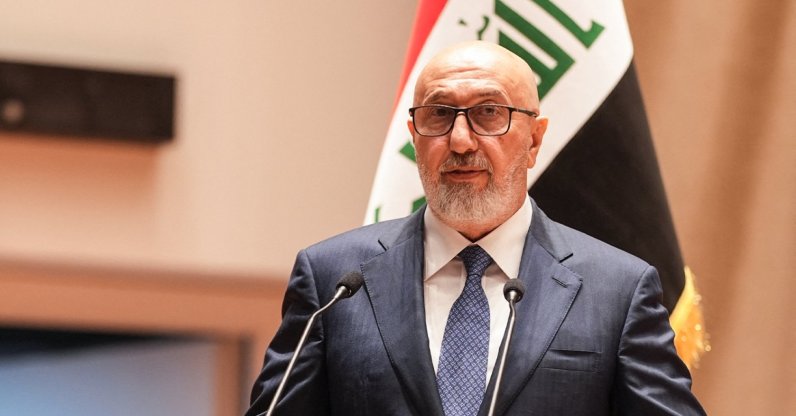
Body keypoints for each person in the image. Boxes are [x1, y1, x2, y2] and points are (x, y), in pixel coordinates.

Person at [245, 41, 705, 416]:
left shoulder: (616, 290)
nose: (461, 141)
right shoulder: (334, 281)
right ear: (415, 135)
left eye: (489, 113)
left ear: (534, 139)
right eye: (439, 115)